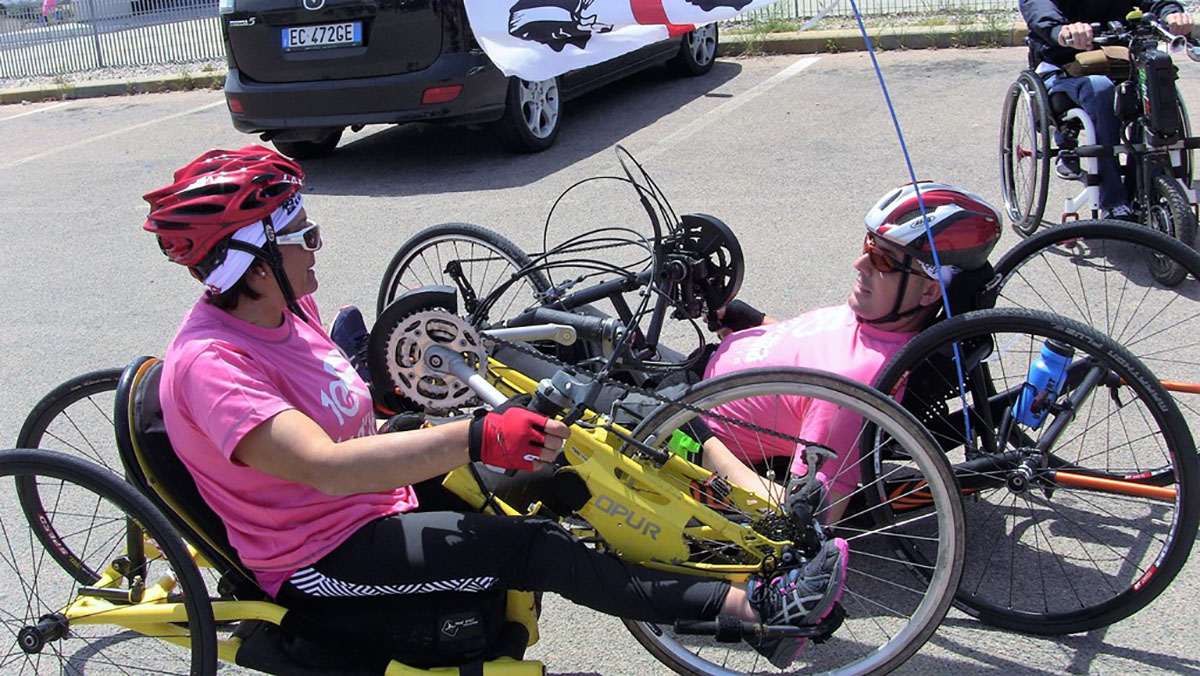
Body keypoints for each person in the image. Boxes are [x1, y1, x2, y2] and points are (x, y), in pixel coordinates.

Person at [143, 144, 849, 670]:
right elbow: (325, 467)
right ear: (250, 260)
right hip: (322, 553)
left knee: (569, 473)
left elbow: (352, 405)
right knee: (534, 548)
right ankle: (751, 612)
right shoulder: (214, 364)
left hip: (379, 501)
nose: (317, 243)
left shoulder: (287, 309)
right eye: (301, 234)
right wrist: (474, 436)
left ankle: (750, 549)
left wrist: (432, 406)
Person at [688, 183, 1002, 523]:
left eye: (883, 259)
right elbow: (810, 354)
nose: (860, 263)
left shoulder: (852, 387)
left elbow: (808, 519)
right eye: (869, 245)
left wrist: (700, 435)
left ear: (928, 292)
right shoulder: (879, 317)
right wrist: (753, 322)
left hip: (690, 434)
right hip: (710, 370)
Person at [1019, 0, 1194, 220]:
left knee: (1153, 81)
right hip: (1063, 68)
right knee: (1101, 89)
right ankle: (1112, 200)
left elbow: (1156, 1)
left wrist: (1172, 14)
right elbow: (1038, 8)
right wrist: (1060, 29)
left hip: (1122, 62)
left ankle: (1147, 188)